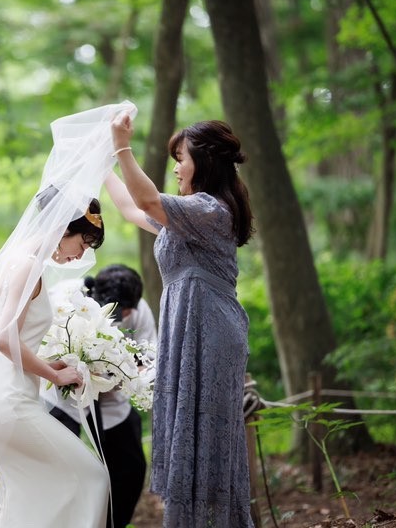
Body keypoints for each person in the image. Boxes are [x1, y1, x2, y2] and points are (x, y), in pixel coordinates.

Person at [0, 103, 132, 528]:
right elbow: (2, 338)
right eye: (84, 240)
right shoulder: (26, 264)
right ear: (65, 226)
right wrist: (56, 375)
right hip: (9, 401)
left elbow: (8, 338)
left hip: (5, 395)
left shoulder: (26, 262)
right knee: (92, 478)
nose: (83, 253)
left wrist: (48, 367)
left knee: (35, 493)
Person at [104, 112, 255, 527]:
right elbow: (133, 209)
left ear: (203, 164)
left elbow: (148, 200)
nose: (175, 167)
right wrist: (103, 164)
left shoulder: (210, 209)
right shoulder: (187, 216)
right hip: (187, 328)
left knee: (207, 435)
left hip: (210, 331)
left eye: (181, 158)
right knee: (188, 431)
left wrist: (122, 148)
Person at [42, 263, 156, 527]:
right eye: (121, 310)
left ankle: (112, 523)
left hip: (113, 401)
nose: (125, 314)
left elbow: (150, 361)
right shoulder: (67, 299)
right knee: (63, 470)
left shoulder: (140, 312)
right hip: (62, 398)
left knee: (131, 468)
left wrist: (118, 378)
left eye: (128, 311)